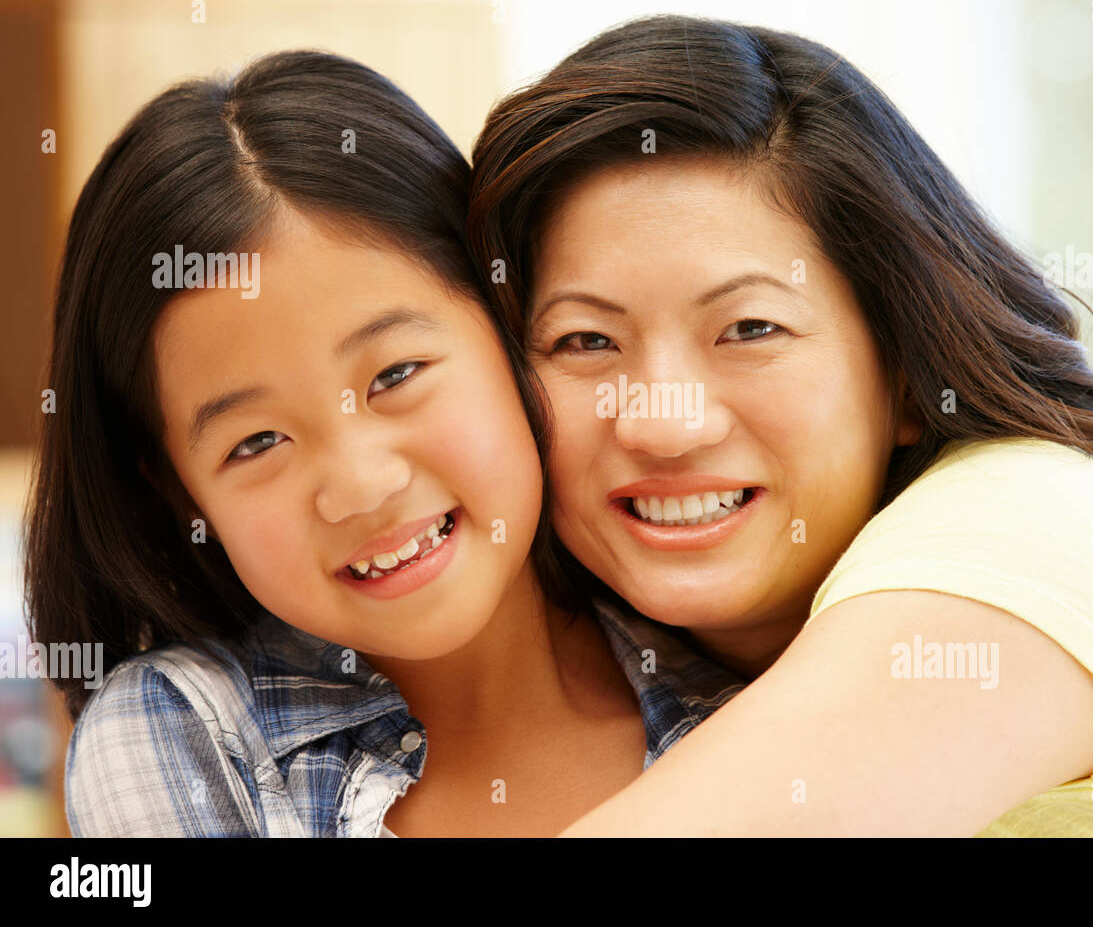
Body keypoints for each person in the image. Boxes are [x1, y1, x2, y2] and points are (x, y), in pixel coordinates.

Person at [467, 14, 1093, 835]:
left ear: (905, 369)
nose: (664, 425)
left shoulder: (1029, 521)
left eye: (750, 330)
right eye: (585, 341)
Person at [24, 49, 744, 837]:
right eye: (257, 441)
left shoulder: (753, 694)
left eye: (395, 373)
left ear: (508, 323)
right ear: (177, 491)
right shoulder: (182, 735)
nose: (361, 485)